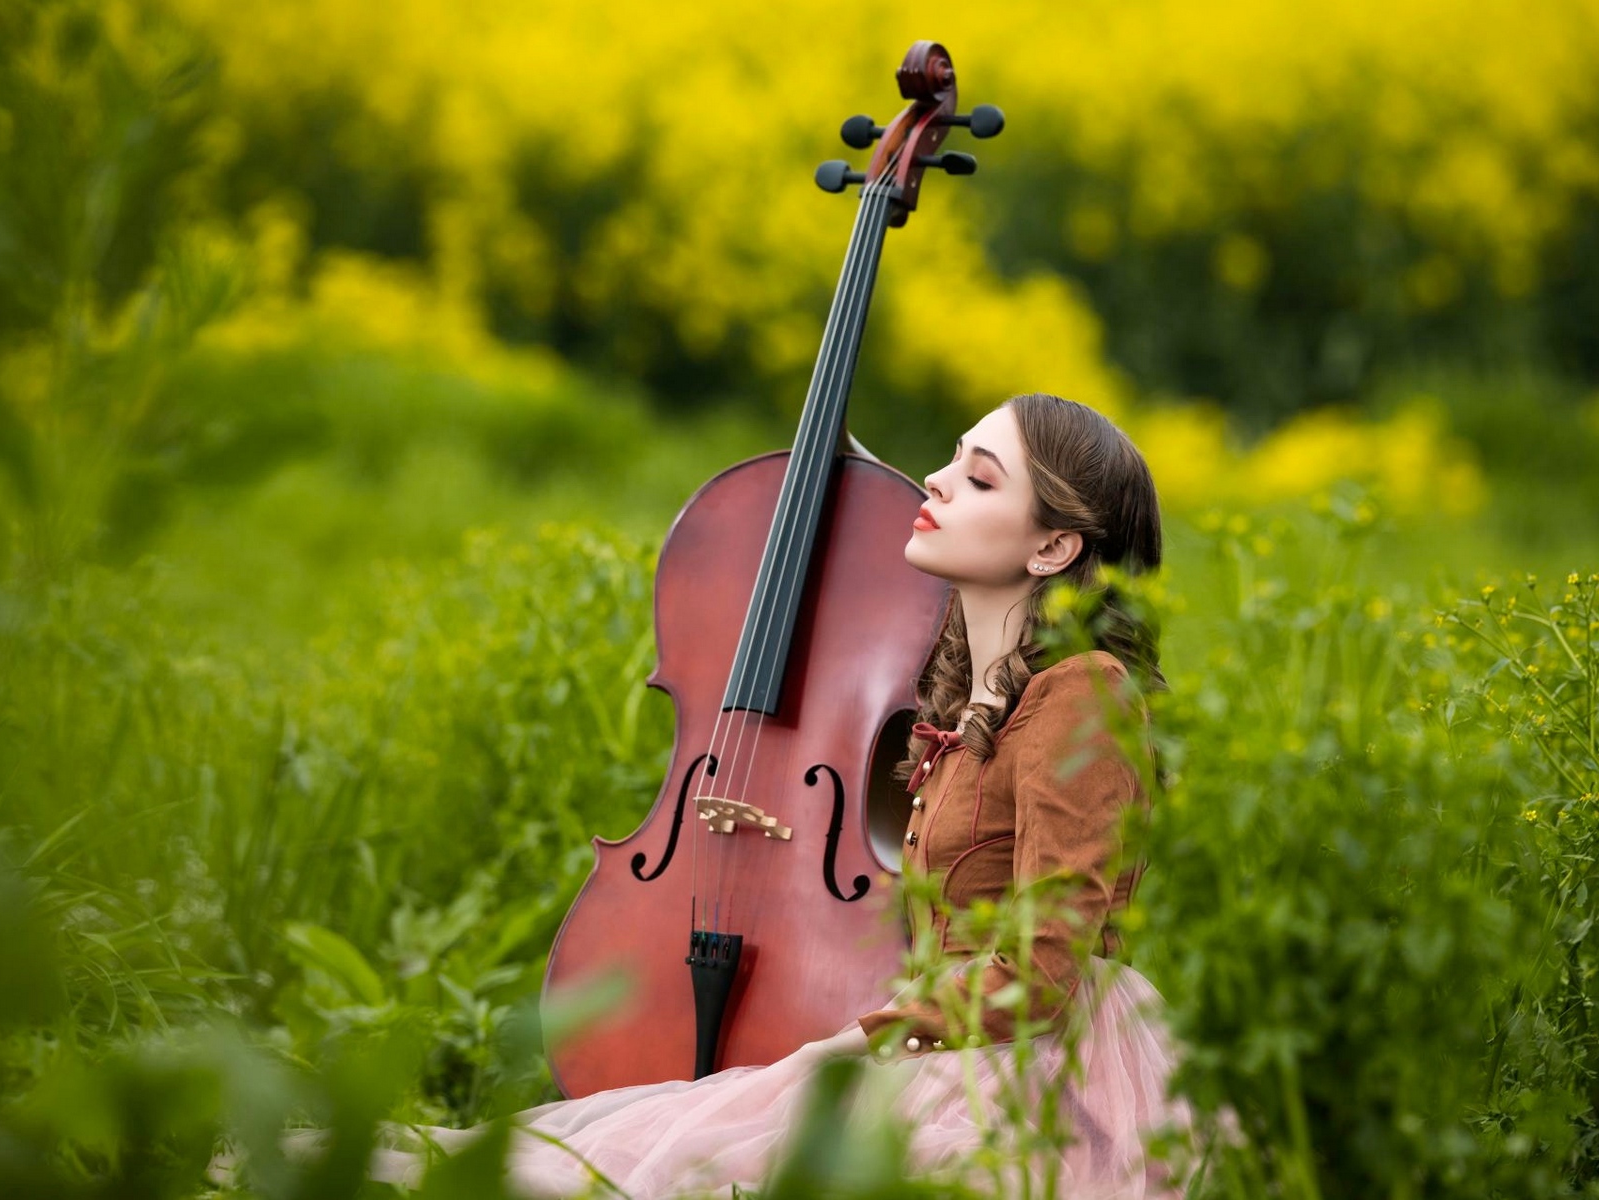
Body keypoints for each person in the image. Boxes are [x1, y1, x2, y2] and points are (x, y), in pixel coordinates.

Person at [208, 392, 1198, 1198]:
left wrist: (860, 1039)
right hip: (951, 1038)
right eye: (953, 456)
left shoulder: (1084, 692)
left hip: (1030, 1068)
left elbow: (1043, 972)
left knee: (698, 1162)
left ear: (1054, 549)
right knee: (659, 1155)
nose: (935, 481)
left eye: (980, 478)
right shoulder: (976, 686)